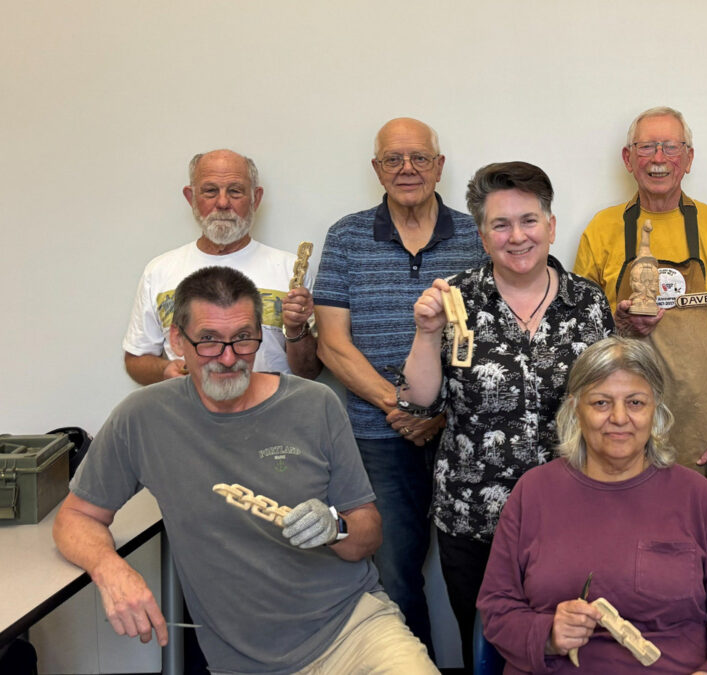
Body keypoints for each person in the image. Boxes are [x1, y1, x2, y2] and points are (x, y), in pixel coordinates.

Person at [55, 266, 436, 674]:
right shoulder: (144, 417)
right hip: (245, 662)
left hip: (352, 631)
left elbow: (368, 533)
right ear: (176, 342)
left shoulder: (314, 404)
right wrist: (111, 569)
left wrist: (335, 527)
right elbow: (75, 517)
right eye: (208, 342)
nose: (228, 358)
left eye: (242, 339)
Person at [402, 161, 613, 668]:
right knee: (489, 649)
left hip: (573, 514)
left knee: (569, 651)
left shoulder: (588, 302)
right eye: (501, 225)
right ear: (482, 234)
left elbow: (610, 403)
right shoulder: (454, 299)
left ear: (551, 225)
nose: (516, 236)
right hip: (475, 517)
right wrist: (427, 332)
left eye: (529, 221)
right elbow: (420, 401)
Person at [477, 337, 707, 674]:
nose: (619, 418)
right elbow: (497, 608)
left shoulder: (695, 496)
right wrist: (547, 636)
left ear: (655, 409)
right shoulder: (534, 492)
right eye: (601, 403)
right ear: (575, 409)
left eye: (635, 403)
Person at [313, 117, 487, 650]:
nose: (407, 169)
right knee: (392, 578)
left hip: (464, 436)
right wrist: (403, 406)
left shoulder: (478, 236)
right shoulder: (346, 236)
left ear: (439, 166)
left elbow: (492, 339)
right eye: (393, 159)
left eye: (418, 158)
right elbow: (331, 344)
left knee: (480, 576)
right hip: (376, 436)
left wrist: (437, 413)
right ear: (376, 169)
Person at [575, 106, 707, 509]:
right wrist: (619, 323)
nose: (659, 158)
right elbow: (582, 335)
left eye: (671, 147)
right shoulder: (602, 229)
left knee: (706, 553)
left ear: (689, 158)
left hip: (706, 428)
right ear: (628, 159)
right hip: (622, 427)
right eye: (646, 147)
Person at [123, 149, 319, 384]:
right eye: (210, 191)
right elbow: (136, 361)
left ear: (256, 198)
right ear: (191, 197)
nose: (223, 202)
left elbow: (310, 372)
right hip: (189, 413)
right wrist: (165, 370)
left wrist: (296, 329)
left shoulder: (290, 271)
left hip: (273, 413)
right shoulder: (159, 271)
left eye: (235, 191)